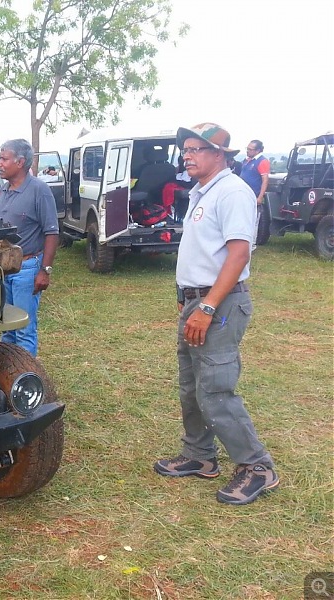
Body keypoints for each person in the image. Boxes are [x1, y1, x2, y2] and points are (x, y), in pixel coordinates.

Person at [154, 123, 278, 506]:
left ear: (220, 154)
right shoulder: (202, 191)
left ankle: (257, 467)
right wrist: (186, 297)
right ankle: (199, 456)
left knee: (215, 389)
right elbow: (203, 251)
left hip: (219, 304)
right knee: (192, 385)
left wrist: (206, 306)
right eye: (186, 149)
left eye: (196, 149)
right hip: (197, 301)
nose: (186, 155)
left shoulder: (233, 192)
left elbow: (239, 254)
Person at [0, 139, 59, 357]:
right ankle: (7, 375)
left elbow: (52, 232)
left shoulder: (39, 190)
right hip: (4, 271)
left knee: (23, 329)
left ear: (20, 162)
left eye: (4, 158)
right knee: (6, 329)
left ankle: (25, 381)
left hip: (27, 269)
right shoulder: (3, 191)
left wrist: (45, 271)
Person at [239, 140, 269, 204]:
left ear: (257, 150)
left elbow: (265, 180)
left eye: (250, 149)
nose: (247, 151)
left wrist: (260, 197)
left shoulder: (262, 161)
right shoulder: (246, 160)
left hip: (253, 196)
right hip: (243, 194)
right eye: (247, 148)